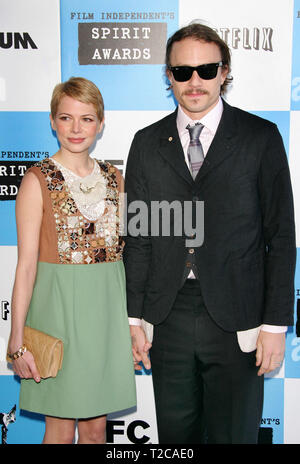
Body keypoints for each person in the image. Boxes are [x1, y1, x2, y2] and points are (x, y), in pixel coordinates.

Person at [124, 23, 296, 444]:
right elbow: (140, 238)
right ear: (169, 76)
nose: (194, 81)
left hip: (238, 315)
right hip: (167, 316)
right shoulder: (147, 143)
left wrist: (276, 324)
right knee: (176, 441)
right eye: (182, 72)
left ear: (225, 71)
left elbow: (280, 237)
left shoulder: (260, 137)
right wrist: (131, 318)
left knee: (234, 435)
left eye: (206, 69)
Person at [7, 77, 136, 444]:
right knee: (60, 431)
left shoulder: (117, 179)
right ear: (52, 121)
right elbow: (26, 266)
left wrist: (132, 324)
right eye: (66, 118)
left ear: (100, 123)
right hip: (57, 315)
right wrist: (16, 340)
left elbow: (127, 255)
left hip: (105, 320)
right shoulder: (37, 180)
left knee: (97, 433)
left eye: (87, 118)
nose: (76, 129)